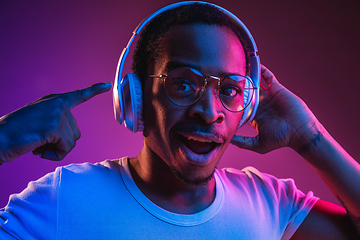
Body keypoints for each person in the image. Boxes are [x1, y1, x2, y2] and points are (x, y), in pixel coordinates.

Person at [0, 2, 359, 239]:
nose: (208, 110)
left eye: (229, 90)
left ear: (246, 106)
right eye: (184, 84)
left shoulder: (268, 202)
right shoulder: (65, 196)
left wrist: (309, 136)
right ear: (135, 97)